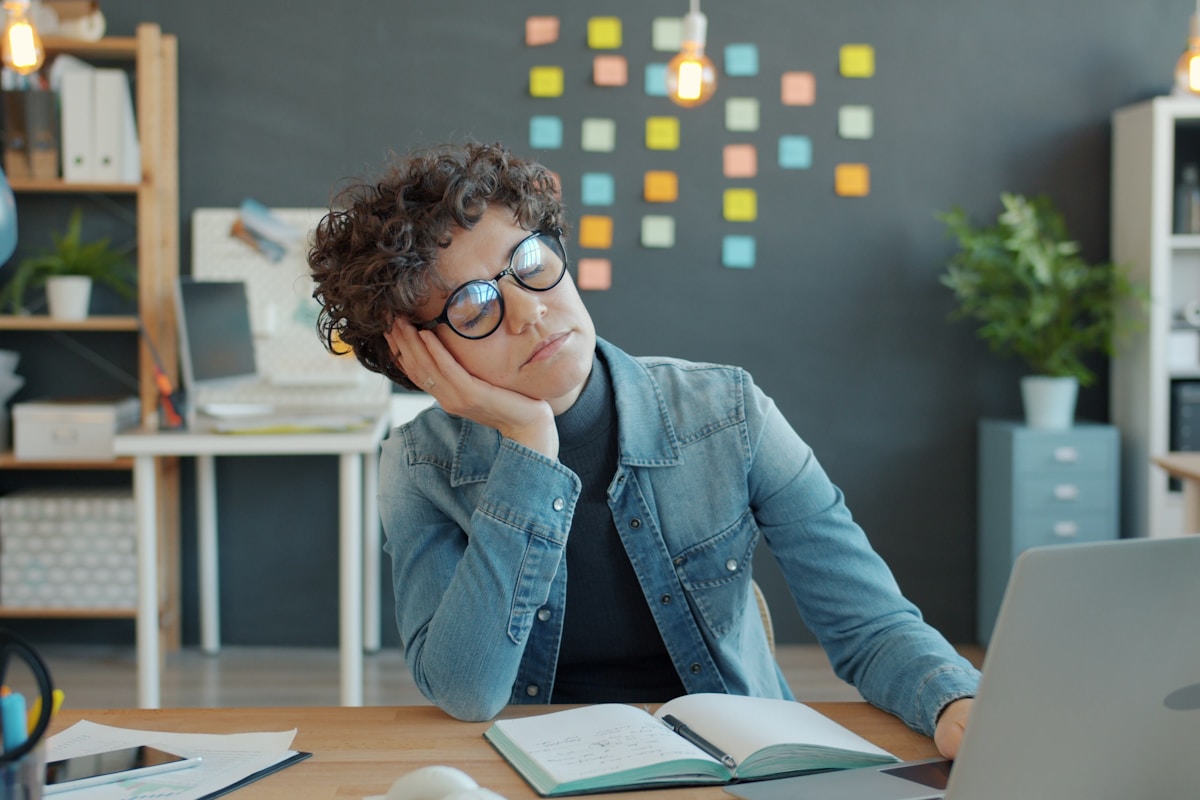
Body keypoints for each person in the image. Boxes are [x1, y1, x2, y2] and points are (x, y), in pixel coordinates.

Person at [308, 141, 979, 758]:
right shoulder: (419, 466)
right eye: (474, 307)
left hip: (742, 765)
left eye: (530, 264)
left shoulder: (731, 414)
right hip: (540, 770)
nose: (529, 313)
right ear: (419, 356)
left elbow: (871, 624)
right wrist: (530, 448)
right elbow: (466, 692)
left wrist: (956, 701)